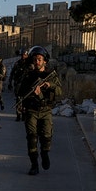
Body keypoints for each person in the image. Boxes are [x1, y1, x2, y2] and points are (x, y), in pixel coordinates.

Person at [16, 46, 62, 176]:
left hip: (46, 109)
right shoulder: (28, 75)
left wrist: (49, 85)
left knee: (47, 136)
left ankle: (45, 153)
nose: (37, 62)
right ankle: (34, 164)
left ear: (45, 61)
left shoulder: (50, 76)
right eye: (35, 59)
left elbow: (59, 91)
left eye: (40, 59)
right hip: (31, 110)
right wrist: (30, 92)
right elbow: (20, 90)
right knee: (31, 138)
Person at [8, 48, 30, 121]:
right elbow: (12, 73)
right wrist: (10, 82)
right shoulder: (17, 63)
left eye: (24, 55)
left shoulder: (29, 64)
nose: (23, 56)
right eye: (22, 55)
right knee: (18, 99)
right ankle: (18, 115)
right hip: (18, 84)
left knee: (26, 100)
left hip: (26, 84)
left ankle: (24, 115)